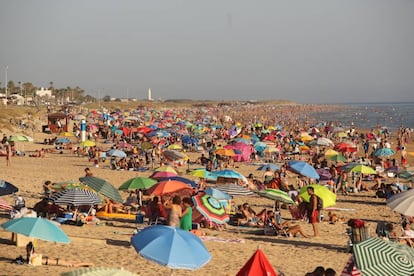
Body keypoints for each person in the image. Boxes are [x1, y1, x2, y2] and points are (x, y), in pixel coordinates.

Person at [26, 241, 93, 267]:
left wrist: (29, 256)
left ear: (29, 249)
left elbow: (31, 262)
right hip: (54, 260)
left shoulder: (33, 255)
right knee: (70, 261)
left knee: (72, 265)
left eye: (27, 249)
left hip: (56, 262)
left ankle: (88, 263)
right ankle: (86, 263)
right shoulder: (34, 254)